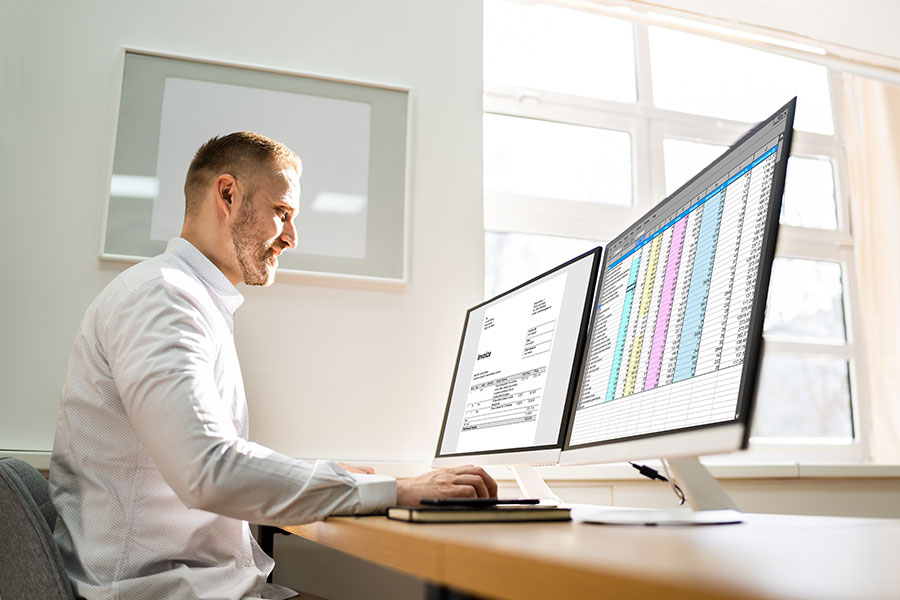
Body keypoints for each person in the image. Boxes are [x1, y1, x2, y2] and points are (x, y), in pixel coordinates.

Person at [49, 132, 497, 600]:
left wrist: (325, 478)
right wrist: (394, 490)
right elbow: (208, 469)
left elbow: (209, 457)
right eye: (281, 213)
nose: (292, 236)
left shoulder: (183, 298)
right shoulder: (162, 298)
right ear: (227, 194)